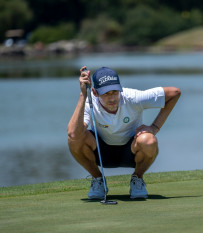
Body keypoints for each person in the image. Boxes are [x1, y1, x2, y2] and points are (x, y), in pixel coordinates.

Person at [67, 66, 181, 199]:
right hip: (101, 153)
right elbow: (73, 134)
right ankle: (98, 180)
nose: (112, 98)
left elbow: (174, 93)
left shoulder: (132, 97)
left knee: (149, 140)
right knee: (75, 140)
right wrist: (83, 95)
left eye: (115, 92)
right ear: (95, 92)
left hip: (131, 152)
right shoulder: (89, 101)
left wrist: (154, 127)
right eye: (106, 93)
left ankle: (137, 178)